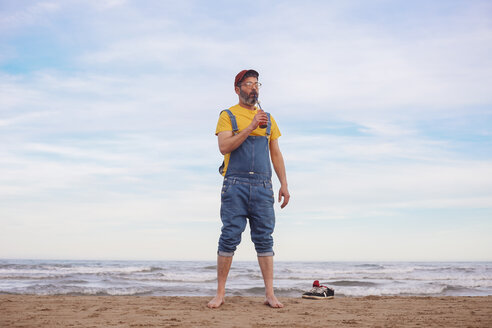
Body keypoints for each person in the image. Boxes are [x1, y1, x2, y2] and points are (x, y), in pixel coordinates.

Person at [208, 69, 290, 309]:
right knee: (229, 236)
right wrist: (252, 125)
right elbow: (224, 146)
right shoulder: (227, 115)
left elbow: (275, 153)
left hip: (263, 186)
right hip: (235, 185)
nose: (254, 88)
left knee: (265, 239)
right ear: (237, 89)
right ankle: (220, 294)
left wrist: (283, 183)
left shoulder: (269, 118)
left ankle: (270, 294)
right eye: (248, 84)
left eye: (257, 84)